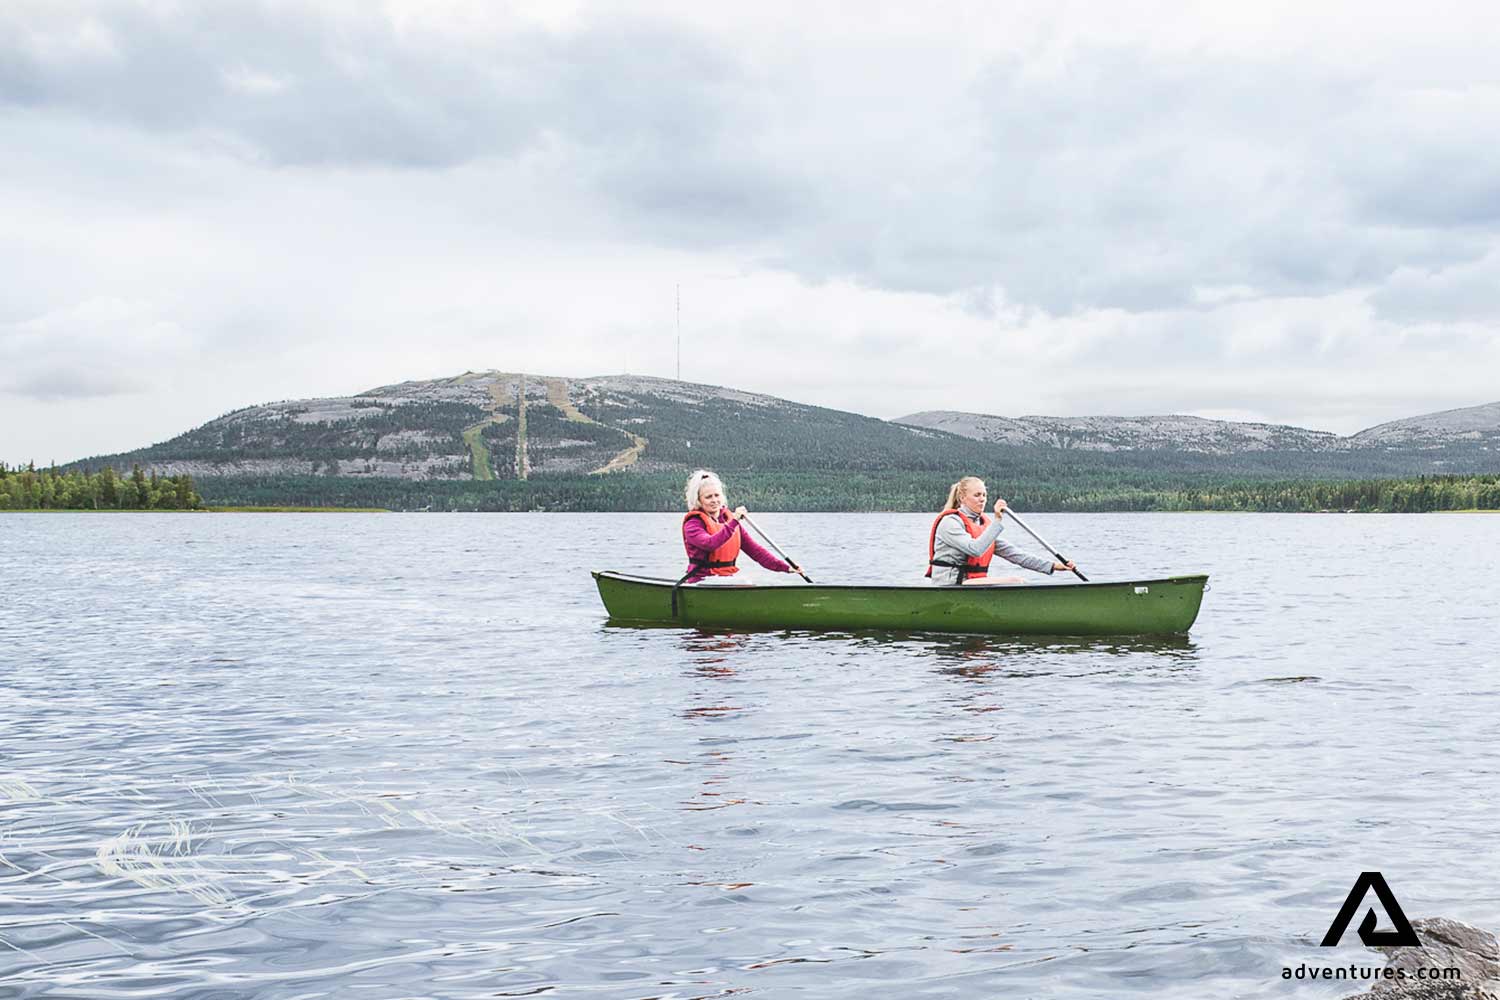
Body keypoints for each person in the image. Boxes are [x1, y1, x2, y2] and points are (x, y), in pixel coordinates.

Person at [926, 476, 1076, 585]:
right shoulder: (950, 522)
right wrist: (998, 520)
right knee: (1016, 582)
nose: (982, 499)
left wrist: (1055, 566)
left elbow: (1016, 555)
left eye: (984, 495)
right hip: (951, 585)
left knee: (1018, 580)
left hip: (970, 583)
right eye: (977, 495)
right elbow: (975, 549)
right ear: (963, 498)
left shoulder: (981, 525)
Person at [680, 470, 805, 584]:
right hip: (702, 580)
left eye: (717, 495)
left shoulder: (728, 520)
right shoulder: (693, 523)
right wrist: (734, 521)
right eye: (708, 497)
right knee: (746, 583)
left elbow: (756, 552)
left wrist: (786, 568)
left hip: (725, 578)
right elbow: (709, 543)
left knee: (758, 581)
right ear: (698, 500)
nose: (714, 500)